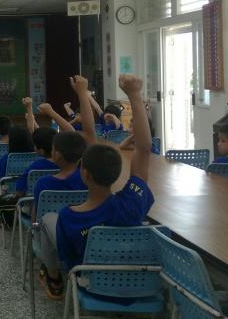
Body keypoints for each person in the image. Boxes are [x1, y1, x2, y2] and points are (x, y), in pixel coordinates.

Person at [38, 74, 155, 301]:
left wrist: (82, 93)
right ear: (118, 174)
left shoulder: (68, 217)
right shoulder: (130, 205)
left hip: (90, 286)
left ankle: (53, 280)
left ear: (85, 174)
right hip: (137, 286)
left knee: (47, 220)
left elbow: (67, 260)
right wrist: (135, 95)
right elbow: (144, 149)